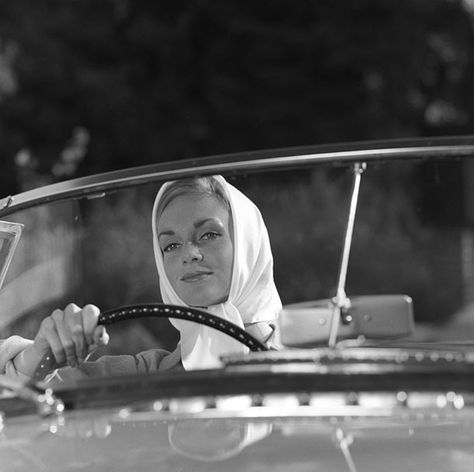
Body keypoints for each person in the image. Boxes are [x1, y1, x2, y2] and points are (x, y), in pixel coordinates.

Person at [0, 175, 281, 381]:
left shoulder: (319, 351)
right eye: (170, 245)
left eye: (209, 234)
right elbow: (25, 401)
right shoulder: (142, 377)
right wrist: (37, 358)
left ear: (248, 244)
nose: (189, 254)